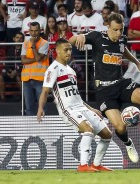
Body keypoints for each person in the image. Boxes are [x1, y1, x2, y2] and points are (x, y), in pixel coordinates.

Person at [69, 13, 140, 163]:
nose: (118, 33)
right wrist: (79, 36)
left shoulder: (122, 38)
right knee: (120, 127)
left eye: (121, 29)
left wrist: (138, 63)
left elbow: (123, 50)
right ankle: (128, 144)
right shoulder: (96, 37)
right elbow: (69, 41)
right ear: (108, 26)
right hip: (104, 90)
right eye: (115, 30)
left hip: (120, 83)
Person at [37, 38, 113, 172]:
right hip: (68, 110)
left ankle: (96, 164)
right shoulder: (52, 69)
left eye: (70, 49)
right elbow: (45, 91)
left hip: (81, 107)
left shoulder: (71, 71)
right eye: (65, 50)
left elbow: (76, 95)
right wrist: (40, 108)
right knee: (87, 129)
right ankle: (83, 165)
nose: (69, 52)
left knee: (107, 134)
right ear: (57, 51)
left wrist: (91, 108)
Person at [21, 21, 49, 115]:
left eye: (36, 31)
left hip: (40, 79)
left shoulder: (44, 43)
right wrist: (37, 59)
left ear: (40, 31)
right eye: (32, 31)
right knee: (29, 107)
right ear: (29, 31)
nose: (34, 33)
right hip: (26, 79)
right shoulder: (25, 43)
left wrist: (33, 46)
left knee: (41, 107)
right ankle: (30, 128)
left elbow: (37, 58)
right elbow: (23, 60)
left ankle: (43, 128)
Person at [0, 32, 24, 102]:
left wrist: (16, 72)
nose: (19, 39)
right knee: (1, 77)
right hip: (11, 72)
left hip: (20, 73)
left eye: (21, 38)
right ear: (14, 39)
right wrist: (10, 71)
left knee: (19, 78)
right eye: (17, 38)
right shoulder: (10, 50)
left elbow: (24, 63)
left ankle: (24, 98)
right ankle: (2, 99)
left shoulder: (25, 50)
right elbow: (7, 63)